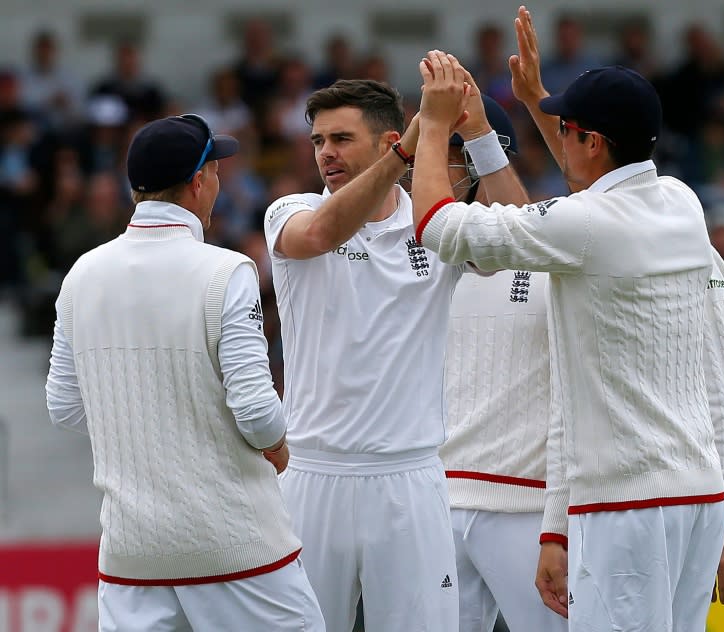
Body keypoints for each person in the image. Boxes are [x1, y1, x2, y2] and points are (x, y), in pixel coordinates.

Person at [410, 14, 724, 629]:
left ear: (590, 140)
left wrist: (433, 129)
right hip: (696, 497)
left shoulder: (585, 226)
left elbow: (437, 227)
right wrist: (536, 101)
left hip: (626, 506)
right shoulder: (681, 202)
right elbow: (582, 190)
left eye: (566, 129)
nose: (556, 138)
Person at [45, 113, 325, 631]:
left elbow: (64, 408)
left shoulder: (81, 274)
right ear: (199, 182)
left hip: (131, 554)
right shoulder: (228, 271)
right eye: (216, 171)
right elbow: (259, 416)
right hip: (236, 546)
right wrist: (280, 447)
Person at [263, 78, 473, 632]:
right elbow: (322, 234)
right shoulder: (292, 209)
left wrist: (474, 131)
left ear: (383, 142)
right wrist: (409, 150)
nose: (324, 152)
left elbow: (514, 247)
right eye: (317, 141)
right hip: (312, 475)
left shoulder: (434, 222)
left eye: (340, 138)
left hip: (408, 476)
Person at [439, 93, 567, 632]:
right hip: (435, 502)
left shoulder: (554, 236)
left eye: (444, 152)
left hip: (526, 506)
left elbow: (513, 231)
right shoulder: (403, 256)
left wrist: (480, 137)